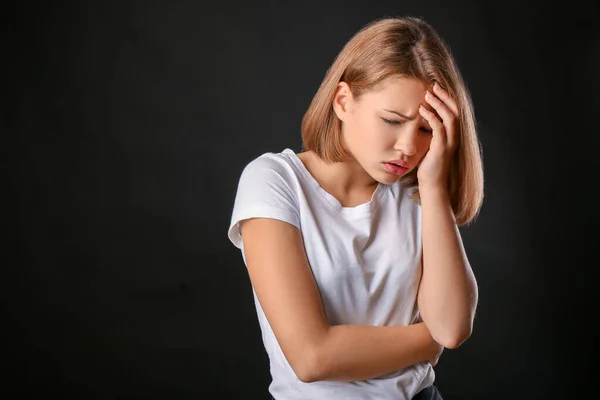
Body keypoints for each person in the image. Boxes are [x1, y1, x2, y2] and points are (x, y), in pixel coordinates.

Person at [227, 15, 484, 400]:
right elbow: (312, 358)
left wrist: (433, 188)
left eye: (426, 129)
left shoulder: (417, 190)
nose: (408, 147)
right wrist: (424, 341)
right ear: (343, 101)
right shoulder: (273, 181)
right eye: (392, 121)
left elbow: (450, 329)